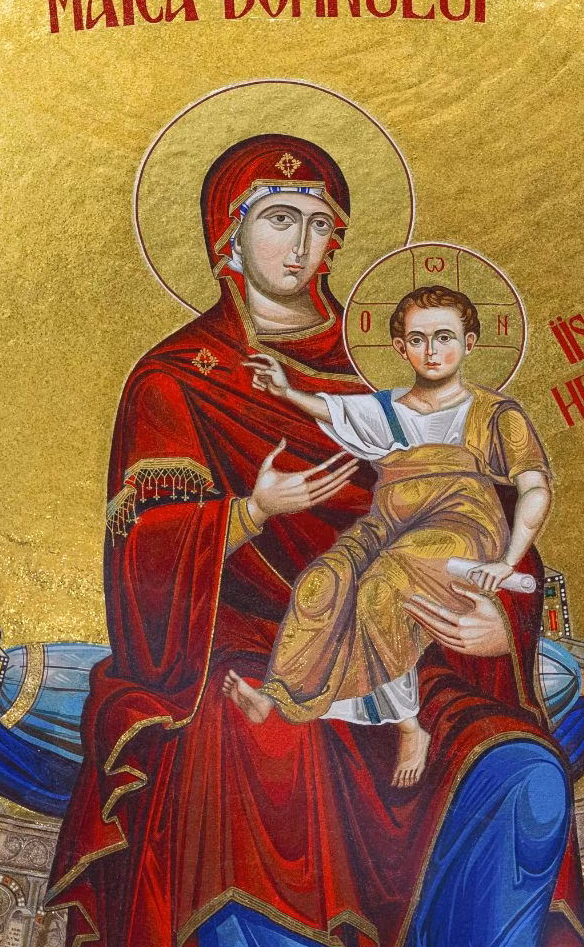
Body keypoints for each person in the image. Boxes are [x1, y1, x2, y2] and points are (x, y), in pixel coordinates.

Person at [45, 133, 584, 947]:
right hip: (237, 652)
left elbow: (483, 522)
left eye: (318, 223)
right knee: (254, 749)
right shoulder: (176, 380)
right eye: (277, 219)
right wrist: (249, 514)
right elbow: (142, 566)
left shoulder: (394, 370)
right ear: (228, 235)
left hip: (404, 646)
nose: (300, 244)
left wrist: (500, 627)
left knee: (523, 774)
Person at [227, 285, 552, 790]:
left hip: (462, 523)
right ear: (400, 348)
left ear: (469, 343)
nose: (431, 350)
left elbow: (534, 487)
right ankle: (280, 695)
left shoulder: (494, 414)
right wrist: (284, 391)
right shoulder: (387, 409)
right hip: (390, 522)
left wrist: (508, 560)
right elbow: (333, 411)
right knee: (322, 581)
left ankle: (408, 727)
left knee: (383, 587)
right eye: (417, 339)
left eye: (444, 337)